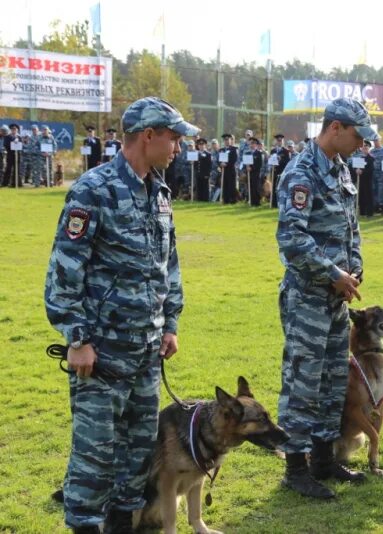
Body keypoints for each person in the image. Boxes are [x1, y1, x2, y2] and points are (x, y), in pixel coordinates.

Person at [44, 97, 195, 533]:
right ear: (148, 135)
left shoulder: (159, 192)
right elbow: (64, 271)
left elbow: (168, 265)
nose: (178, 148)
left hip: (146, 351)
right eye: (173, 138)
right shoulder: (94, 190)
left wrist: (170, 323)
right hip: (102, 353)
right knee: (95, 455)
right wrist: (77, 339)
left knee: (137, 454)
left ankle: (122, 525)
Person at [276, 97, 379, 500]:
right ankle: (296, 467)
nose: (362, 144)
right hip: (308, 297)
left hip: (337, 300)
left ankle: (323, 459)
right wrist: (334, 273)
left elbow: (350, 228)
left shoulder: (340, 169)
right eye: (357, 136)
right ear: (335, 128)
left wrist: (355, 267)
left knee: (333, 381)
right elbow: (292, 239)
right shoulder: (302, 172)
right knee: (303, 382)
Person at [348, 140, 375, 216]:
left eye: (366, 146)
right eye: (363, 146)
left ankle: (369, 212)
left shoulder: (371, 158)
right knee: (361, 195)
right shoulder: (358, 158)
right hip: (360, 179)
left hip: (368, 179)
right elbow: (353, 167)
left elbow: (371, 169)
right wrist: (356, 170)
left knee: (368, 195)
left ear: (369, 147)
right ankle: (362, 212)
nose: (364, 147)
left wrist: (362, 171)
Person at [219, 133, 238, 204]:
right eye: (225, 140)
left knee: (231, 186)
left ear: (230, 140)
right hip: (224, 170)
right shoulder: (221, 150)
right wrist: (220, 164)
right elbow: (218, 159)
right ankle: (225, 200)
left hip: (231, 170)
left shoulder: (234, 149)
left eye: (227, 140)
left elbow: (234, 159)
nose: (226, 141)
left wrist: (226, 164)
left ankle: (232, 200)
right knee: (225, 185)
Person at [247, 137, 264, 206]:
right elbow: (245, 162)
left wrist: (252, 168)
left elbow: (259, 164)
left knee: (256, 187)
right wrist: (246, 167)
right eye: (251, 143)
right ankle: (251, 200)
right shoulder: (248, 153)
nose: (252, 145)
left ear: (256, 145)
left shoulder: (258, 153)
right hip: (249, 173)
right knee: (250, 186)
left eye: (253, 143)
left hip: (256, 173)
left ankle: (257, 202)